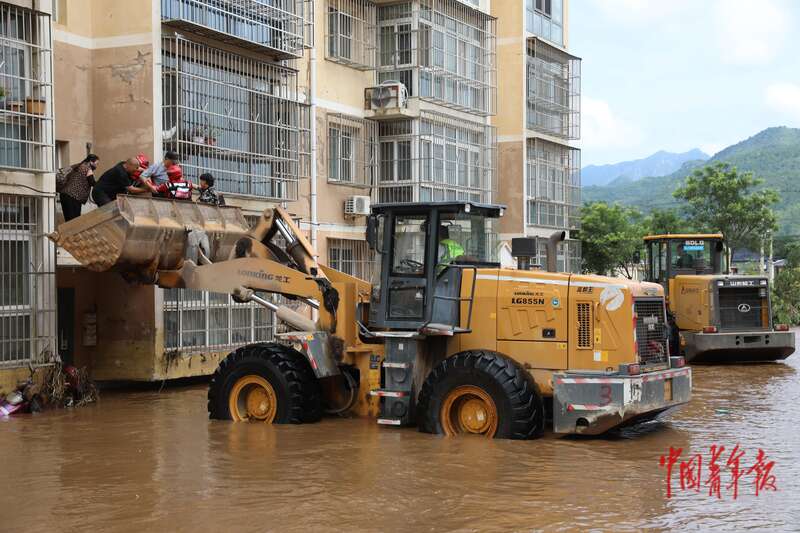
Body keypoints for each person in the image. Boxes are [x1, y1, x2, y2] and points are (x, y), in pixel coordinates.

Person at [58, 154, 99, 221]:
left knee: (68, 220)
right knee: (74, 221)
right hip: (73, 197)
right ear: (91, 162)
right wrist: (102, 185)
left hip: (64, 194)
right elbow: (92, 182)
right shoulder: (88, 168)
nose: (96, 166)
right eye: (96, 164)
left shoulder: (78, 166)